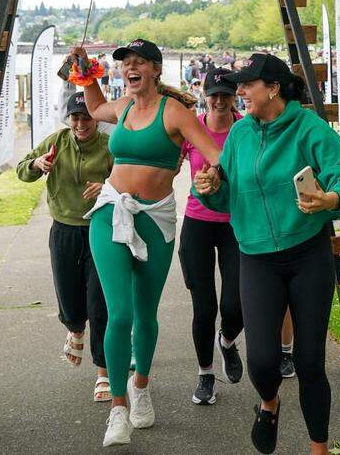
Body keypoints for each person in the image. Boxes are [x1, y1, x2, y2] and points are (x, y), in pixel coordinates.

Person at [193, 52, 340, 455]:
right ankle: (269, 403)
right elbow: (229, 198)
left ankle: (318, 448)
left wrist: (331, 199)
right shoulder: (240, 135)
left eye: (248, 84)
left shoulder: (309, 128)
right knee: (263, 364)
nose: (240, 92)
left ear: (273, 89)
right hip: (256, 257)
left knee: (308, 363)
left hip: (308, 255)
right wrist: (211, 190)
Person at [69, 39, 226, 447]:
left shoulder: (175, 112)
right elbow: (95, 105)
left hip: (155, 219)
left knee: (144, 314)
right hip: (110, 211)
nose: (130, 68)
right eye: (125, 64)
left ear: (156, 70)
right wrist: (86, 71)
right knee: (118, 313)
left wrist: (211, 176)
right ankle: (118, 407)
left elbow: (214, 153)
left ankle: (140, 386)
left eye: (139, 62)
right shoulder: (120, 108)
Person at [15, 93, 115, 403]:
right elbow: (22, 170)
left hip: (100, 228)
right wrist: (37, 163)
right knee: (70, 298)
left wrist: (108, 187)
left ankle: (104, 372)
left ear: (97, 118)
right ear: (68, 119)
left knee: (100, 303)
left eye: (87, 117)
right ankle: (74, 329)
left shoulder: (110, 145)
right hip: (64, 229)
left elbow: (129, 180)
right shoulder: (56, 141)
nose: (81, 123)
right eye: (76, 117)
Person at [178, 68, 244, 406]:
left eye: (226, 93)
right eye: (213, 93)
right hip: (198, 223)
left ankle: (228, 342)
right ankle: (205, 374)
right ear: (204, 94)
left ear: (236, 95)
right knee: (204, 308)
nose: (219, 100)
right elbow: (164, 166)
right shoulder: (191, 127)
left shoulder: (245, 129)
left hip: (236, 225)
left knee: (237, 305)